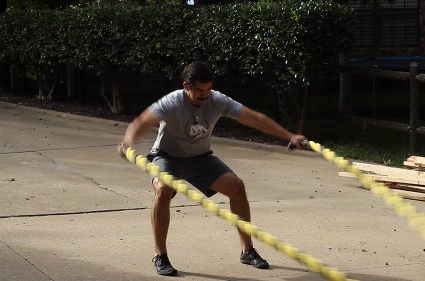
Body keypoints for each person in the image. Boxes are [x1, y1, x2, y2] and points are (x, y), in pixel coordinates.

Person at [118, 61, 306, 276]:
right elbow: (142, 121)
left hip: (200, 159)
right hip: (167, 157)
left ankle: (247, 250)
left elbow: (254, 118)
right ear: (186, 86)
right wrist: (128, 141)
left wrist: (289, 136)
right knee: (163, 190)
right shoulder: (171, 102)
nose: (204, 95)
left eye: (208, 90)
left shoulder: (217, 100)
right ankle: (160, 255)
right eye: (199, 90)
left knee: (237, 186)